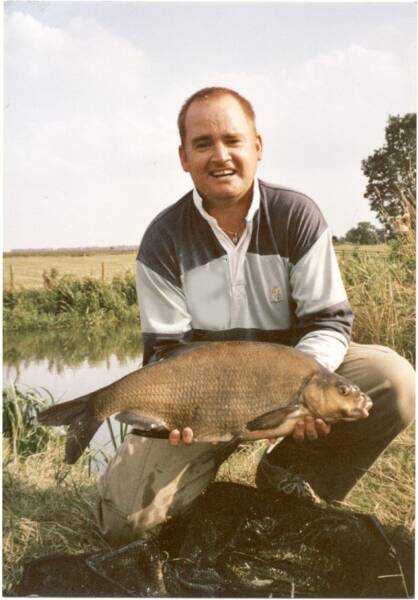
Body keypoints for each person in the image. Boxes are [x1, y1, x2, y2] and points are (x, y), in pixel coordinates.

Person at [96, 87, 415, 547]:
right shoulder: (162, 240)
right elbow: (164, 354)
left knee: (394, 380)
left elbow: (328, 321)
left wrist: (305, 389)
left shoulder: (296, 215)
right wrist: (169, 419)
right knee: (124, 527)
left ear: (258, 147)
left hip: (286, 384)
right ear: (184, 157)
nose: (220, 155)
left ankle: (288, 476)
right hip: (202, 402)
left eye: (233, 140)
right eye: (203, 144)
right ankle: (190, 485)